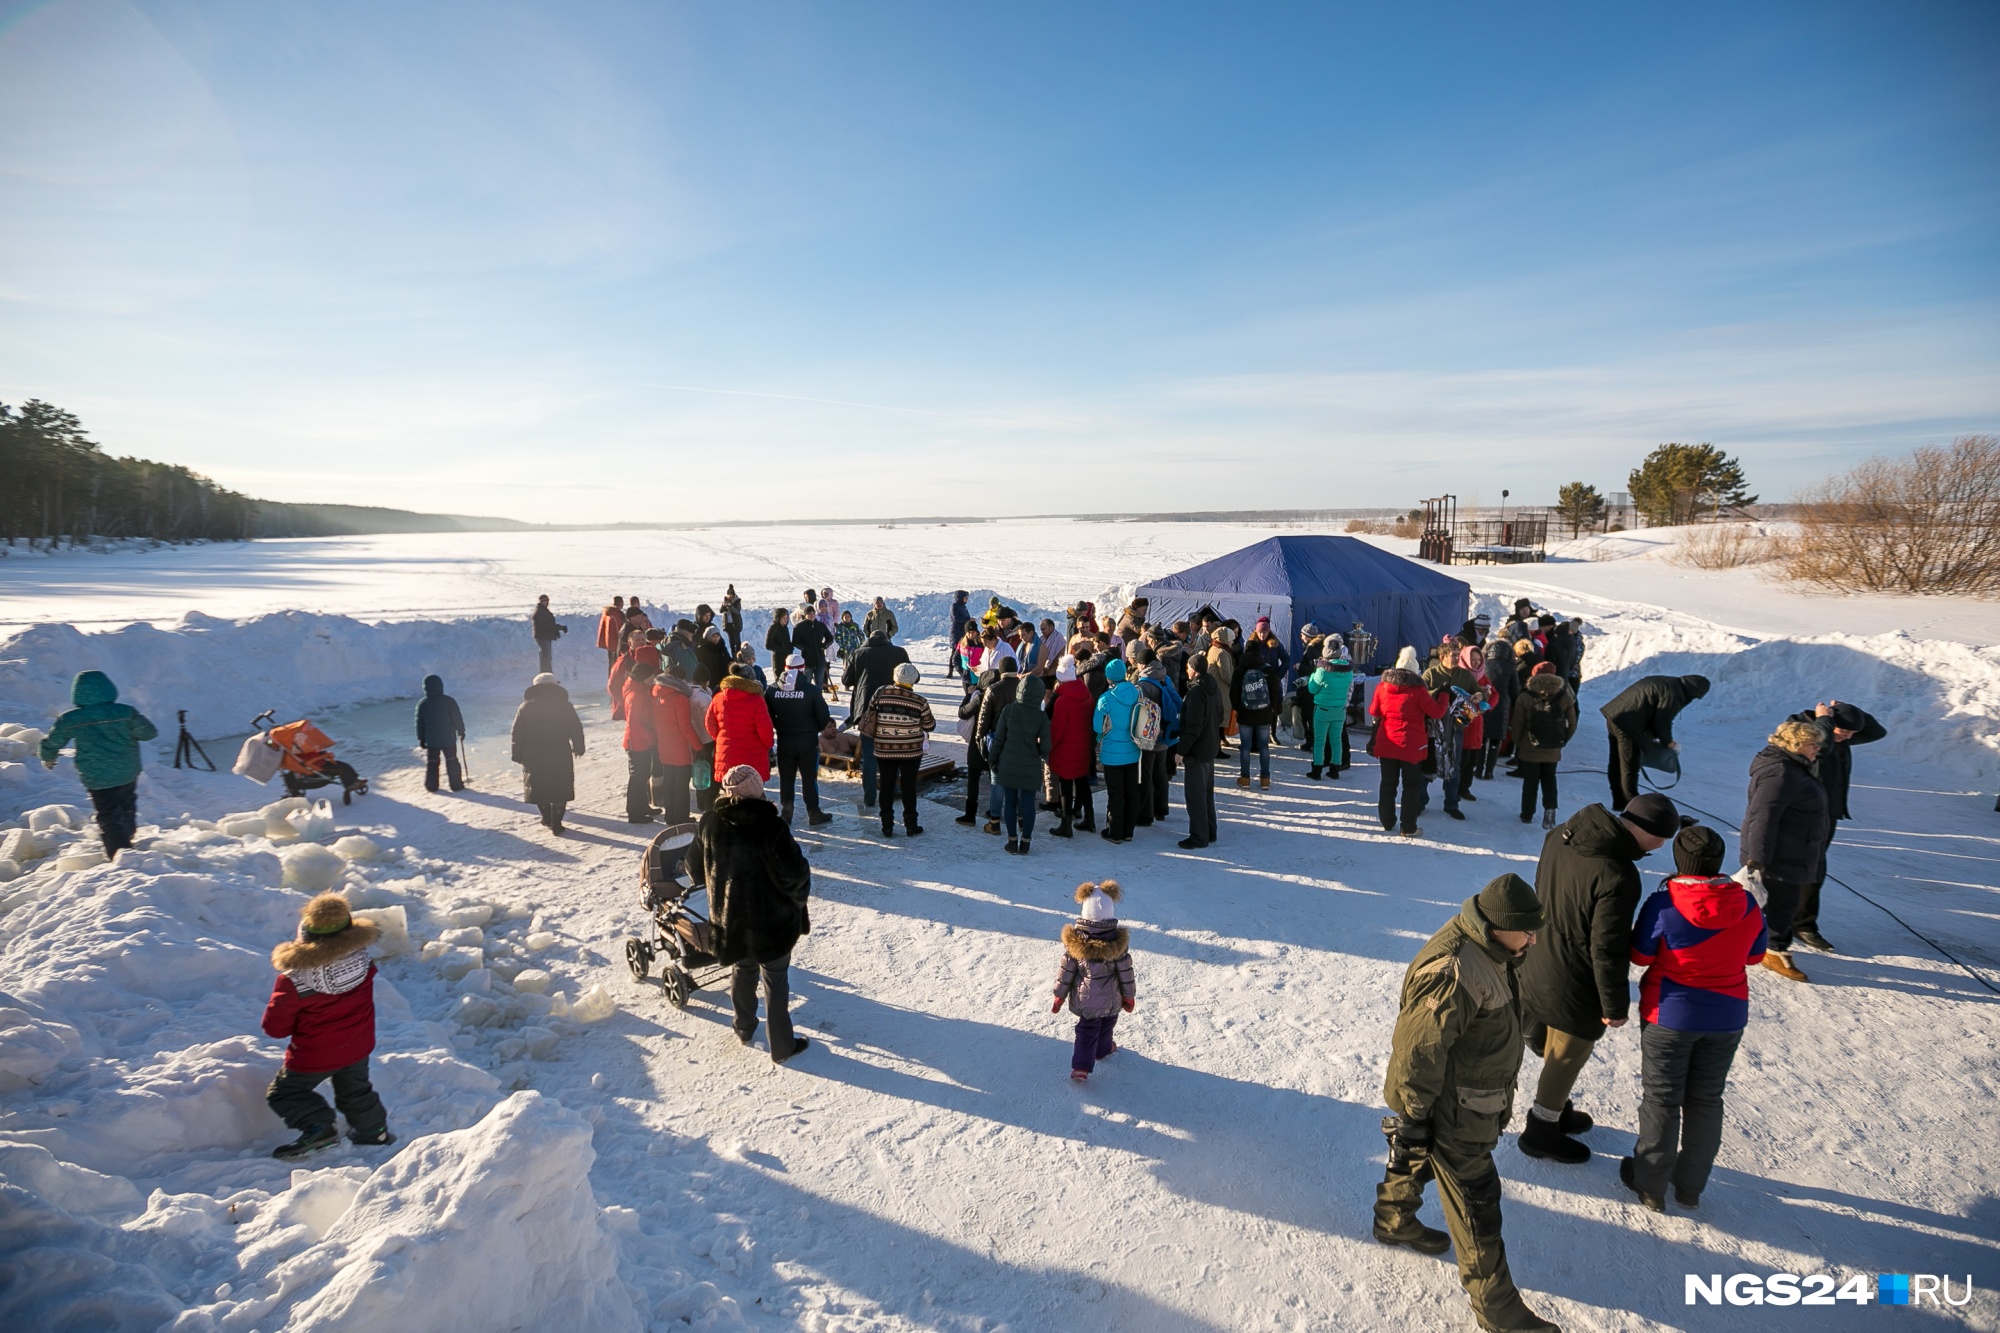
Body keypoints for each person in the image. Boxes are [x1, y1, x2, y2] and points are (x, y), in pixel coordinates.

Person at [1375, 873, 1559, 1333]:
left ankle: (1393, 1220)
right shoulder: (1454, 970)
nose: (1534, 939)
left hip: (1467, 1095)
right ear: (1497, 925)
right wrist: (1415, 1114)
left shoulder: (1494, 947)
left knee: (1415, 1152)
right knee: (1478, 1204)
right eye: (1527, 930)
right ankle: (1498, 1311)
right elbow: (1418, 1049)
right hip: (1456, 1107)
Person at [1515, 791, 1680, 1163]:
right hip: (1574, 980)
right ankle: (1541, 1130)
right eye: (1663, 839)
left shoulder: (1561, 834)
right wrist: (1614, 1004)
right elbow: (1606, 947)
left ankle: (1557, 1108)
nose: (1663, 847)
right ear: (1650, 833)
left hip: (1539, 958)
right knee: (1566, 1056)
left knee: (1551, 1048)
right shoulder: (1618, 875)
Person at [1622, 824, 1766, 1212]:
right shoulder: (1748, 902)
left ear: (1680, 860)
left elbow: (1640, 956)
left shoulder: (1664, 902)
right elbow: (1754, 956)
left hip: (1669, 1014)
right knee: (1706, 1100)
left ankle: (1650, 1183)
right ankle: (1690, 1187)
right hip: (1727, 1016)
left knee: (1661, 1101)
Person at [693, 764, 813, 1064]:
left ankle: (744, 1028)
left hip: (729, 921)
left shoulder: (709, 822)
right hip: (771, 923)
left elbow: (694, 868)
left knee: (742, 970)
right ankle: (782, 1046)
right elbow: (795, 875)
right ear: (757, 790)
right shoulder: (772, 826)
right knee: (775, 980)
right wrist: (797, 904)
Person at [261, 892, 394, 1159]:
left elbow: (275, 1028)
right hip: (358, 1045)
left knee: (285, 1092)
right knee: (356, 1090)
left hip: (314, 1054)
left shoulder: (294, 980)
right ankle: (374, 1132)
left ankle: (318, 1126)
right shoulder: (363, 962)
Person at [1781, 700, 1886, 952]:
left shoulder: (1838, 736)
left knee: (1815, 869)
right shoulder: (1804, 733)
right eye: (1844, 732)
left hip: (1827, 814)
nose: (1847, 738)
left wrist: (1849, 710)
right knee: (1796, 869)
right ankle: (1792, 924)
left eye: (1851, 734)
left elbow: (1877, 732)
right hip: (1803, 814)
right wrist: (1825, 720)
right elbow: (1823, 747)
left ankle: (1801, 923)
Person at [1739, 719, 1831, 983]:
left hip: (1791, 848)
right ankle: (1774, 951)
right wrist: (1757, 859)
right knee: (1782, 904)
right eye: (1813, 744)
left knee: (1776, 902)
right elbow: (1763, 818)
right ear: (1796, 745)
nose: (1817, 749)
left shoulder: (1791, 767)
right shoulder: (1781, 772)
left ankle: (1757, 944)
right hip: (1779, 854)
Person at [37, 669, 158, 856]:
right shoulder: (125, 712)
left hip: (96, 775)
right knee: (126, 803)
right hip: (126, 770)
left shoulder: (71, 719)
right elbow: (149, 733)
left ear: (77, 692)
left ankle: (119, 852)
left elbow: (52, 741)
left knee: (108, 811)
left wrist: (47, 757)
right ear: (109, 688)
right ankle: (127, 836)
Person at [1052, 880, 1136, 1082]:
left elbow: (1066, 972)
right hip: (1111, 998)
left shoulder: (1075, 945)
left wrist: (1059, 996)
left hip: (1085, 999)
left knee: (1087, 1030)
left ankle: (1081, 1066)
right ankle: (1103, 1049)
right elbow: (1126, 972)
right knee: (1108, 1023)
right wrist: (1129, 996)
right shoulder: (1118, 945)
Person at [1599, 674, 1711, 811]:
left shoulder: (1671, 683)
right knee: (1629, 765)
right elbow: (1662, 721)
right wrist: (1668, 742)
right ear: (1693, 691)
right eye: (1695, 697)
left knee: (1617, 761)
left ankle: (1620, 801)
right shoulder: (1674, 693)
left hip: (1615, 715)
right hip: (1629, 723)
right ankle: (1631, 804)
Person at [1369, 647, 1448, 839]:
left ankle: (1387, 821)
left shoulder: (1382, 687)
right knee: (1411, 786)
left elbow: (1374, 711)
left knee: (1387, 784)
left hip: (1387, 743)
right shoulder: (1419, 691)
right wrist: (1444, 695)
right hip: (1412, 746)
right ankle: (1408, 827)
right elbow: (1437, 712)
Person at [857, 662, 934, 837]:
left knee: (886, 785)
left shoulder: (880, 693)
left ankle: (887, 826)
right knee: (909, 787)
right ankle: (911, 825)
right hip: (911, 752)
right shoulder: (920, 702)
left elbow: (871, 712)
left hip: (884, 749)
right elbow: (930, 725)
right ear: (913, 680)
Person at [844, 629, 912, 811]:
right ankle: (894, 788)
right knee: (893, 751)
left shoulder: (858, 653)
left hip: (868, 713)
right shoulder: (899, 652)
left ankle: (870, 797)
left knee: (869, 756)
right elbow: (912, 676)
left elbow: (846, 680)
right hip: (894, 709)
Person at [511, 672, 585, 833]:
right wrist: (579, 746)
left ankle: (546, 818)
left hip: (533, 754)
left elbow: (517, 732)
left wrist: (516, 753)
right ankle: (557, 823)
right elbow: (575, 728)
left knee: (539, 786)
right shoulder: (564, 705)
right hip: (560, 752)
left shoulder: (526, 706)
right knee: (560, 785)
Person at [767, 651, 833, 827]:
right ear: (803, 669)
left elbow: (768, 715)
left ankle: (787, 812)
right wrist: (814, 729)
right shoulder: (811, 690)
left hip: (785, 742)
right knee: (809, 779)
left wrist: (780, 727)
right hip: (808, 742)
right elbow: (823, 715)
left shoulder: (772, 690)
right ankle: (813, 812)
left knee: (786, 779)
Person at [1509, 664, 1576, 829]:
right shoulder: (1564, 696)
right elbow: (1572, 723)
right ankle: (1550, 809)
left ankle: (1527, 814)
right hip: (1553, 747)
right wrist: (1562, 741)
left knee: (1530, 781)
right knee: (1549, 779)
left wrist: (1519, 743)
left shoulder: (1525, 697)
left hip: (1530, 746)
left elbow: (1517, 723)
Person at [989, 672, 1050, 854]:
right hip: (1030, 764)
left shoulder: (1009, 710)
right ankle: (1026, 841)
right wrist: (1037, 753)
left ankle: (1012, 840)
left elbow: (999, 739)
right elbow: (1047, 745)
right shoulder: (1041, 717)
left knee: (1010, 802)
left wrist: (993, 758)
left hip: (1008, 762)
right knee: (1028, 803)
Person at [1422, 639, 1478, 822]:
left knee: (1454, 766)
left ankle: (1452, 804)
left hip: (1456, 727)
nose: (1456, 659)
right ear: (1442, 657)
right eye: (1452, 656)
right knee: (1428, 764)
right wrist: (1438, 692)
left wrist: (1479, 695)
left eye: (1458, 656)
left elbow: (1479, 692)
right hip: (1433, 728)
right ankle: (1420, 802)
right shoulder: (1430, 674)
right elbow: (1420, 695)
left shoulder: (1465, 675)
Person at [968, 652, 1020, 832]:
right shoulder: (1024, 687)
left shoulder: (994, 689)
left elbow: (983, 719)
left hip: (997, 739)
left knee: (996, 779)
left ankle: (995, 821)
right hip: (1019, 739)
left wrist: (979, 739)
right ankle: (1020, 817)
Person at [1093, 658, 1143, 844]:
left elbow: (1097, 726)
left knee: (1115, 794)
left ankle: (1114, 832)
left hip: (1112, 754)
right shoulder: (1137, 692)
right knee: (1131, 791)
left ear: (1108, 677)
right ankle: (1128, 831)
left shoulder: (1106, 699)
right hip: (1133, 749)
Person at [1176, 651, 1223, 849]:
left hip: (1197, 751)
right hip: (1210, 747)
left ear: (1194, 670)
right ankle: (1209, 832)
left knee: (1195, 796)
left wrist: (1181, 751)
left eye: (1188, 666)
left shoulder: (1196, 693)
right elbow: (1220, 716)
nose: (1186, 670)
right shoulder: (1212, 687)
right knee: (1206, 794)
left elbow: (1192, 727)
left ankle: (1198, 837)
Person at [1047, 656, 1097, 837]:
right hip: (1083, 747)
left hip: (1065, 750)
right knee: (1083, 783)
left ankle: (1066, 824)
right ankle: (1089, 819)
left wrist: (1048, 747)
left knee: (1066, 787)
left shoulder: (1062, 701)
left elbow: (1056, 731)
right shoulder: (1087, 695)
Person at [705, 664, 775, 791]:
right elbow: (766, 732)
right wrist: (768, 745)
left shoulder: (718, 698)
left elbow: (709, 724)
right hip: (752, 757)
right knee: (752, 799)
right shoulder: (756, 701)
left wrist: (721, 739)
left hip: (726, 756)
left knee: (731, 798)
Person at [1132, 646, 1181, 826]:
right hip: (1166, 734)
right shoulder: (1165, 677)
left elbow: (1138, 712)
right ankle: (1161, 809)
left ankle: (1145, 815)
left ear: (1143, 664)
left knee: (1145, 774)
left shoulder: (1143, 684)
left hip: (1149, 736)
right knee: (1160, 772)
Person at [649, 663, 701, 825]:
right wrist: (698, 746)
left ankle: (670, 816)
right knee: (681, 786)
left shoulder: (657, 694)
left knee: (669, 782)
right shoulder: (679, 698)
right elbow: (685, 726)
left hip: (664, 745)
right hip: (680, 748)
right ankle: (681, 818)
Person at [1230, 632, 1282, 791]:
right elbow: (1275, 691)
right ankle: (1265, 779)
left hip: (1245, 713)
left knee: (1245, 746)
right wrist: (1274, 708)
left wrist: (1238, 707)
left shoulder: (1240, 670)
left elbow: (1233, 693)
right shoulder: (1268, 669)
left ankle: (1245, 778)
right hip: (1264, 714)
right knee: (1264, 746)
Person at [622, 660, 664, 823]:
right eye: (651, 676)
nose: (653, 678)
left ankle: (642, 806)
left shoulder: (640, 690)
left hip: (640, 741)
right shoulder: (637, 696)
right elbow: (636, 723)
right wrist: (652, 738)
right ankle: (635, 813)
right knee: (638, 777)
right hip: (638, 742)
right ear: (643, 677)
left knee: (643, 775)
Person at [1305, 648, 1353, 780]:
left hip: (1323, 710)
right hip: (1340, 710)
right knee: (1336, 740)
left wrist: (1312, 676)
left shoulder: (1322, 671)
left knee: (1319, 741)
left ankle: (1316, 770)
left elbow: (1312, 689)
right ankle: (1335, 770)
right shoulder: (1348, 671)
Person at [415, 674, 467, 793]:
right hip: (448, 739)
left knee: (432, 763)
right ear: (440, 686)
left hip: (432, 741)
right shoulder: (449, 701)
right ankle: (456, 785)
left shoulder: (423, 704)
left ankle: (431, 785)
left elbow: (420, 724)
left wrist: (421, 739)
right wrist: (461, 731)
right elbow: (457, 718)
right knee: (452, 760)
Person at [1482, 634, 1520, 779]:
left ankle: (1478, 769)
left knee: (1482, 737)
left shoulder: (1484, 665)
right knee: (1495, 740)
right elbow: (1515, 690)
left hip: (1485, 703)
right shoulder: (1511, 668)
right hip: (1502, 705)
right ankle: (1489, 771)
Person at [791, 604, 835, 695]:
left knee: (819, 683)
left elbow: (830, 638)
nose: (811, 615)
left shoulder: (820, 625)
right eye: (809, 613)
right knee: (807, 682)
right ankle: (807, 700)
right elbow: (795, 642)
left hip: (819, 658)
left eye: (813, 613)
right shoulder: (799, 627)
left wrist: (824, 646)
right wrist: (805, 648)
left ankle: (818, 701)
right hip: (807, 659)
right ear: (805, 615)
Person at [531, 595, 567, 675]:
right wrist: (559, 628)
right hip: (543, 637)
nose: (547, 603)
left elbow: (549, 624)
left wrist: (555, 631)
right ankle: (546, 677)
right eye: (545, 601)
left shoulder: (542, 610)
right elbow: (547, 625)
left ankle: (547, 676)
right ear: (541, 602)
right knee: (546, 658)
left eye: (548, 601)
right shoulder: (540, 611)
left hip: (544, 636)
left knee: (546, 657)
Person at [947, 591, 973, 679]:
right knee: (955, 650)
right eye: (965, 598)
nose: (967, 600)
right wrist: (968, 619)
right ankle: (950, 671)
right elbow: (956, 618)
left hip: (963, 632)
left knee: (963, 651)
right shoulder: (954, 606)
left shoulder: (964, 607)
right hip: (956, 632)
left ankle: (963, 669)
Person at [596, 595, 626, 671]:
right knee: (617, 665)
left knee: (611, 664)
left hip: (609, 642)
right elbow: (621, 629)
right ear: (621, 603)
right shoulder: (617, 614)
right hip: (616, 643)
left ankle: (611, 679)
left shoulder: (607, 613)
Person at [765, 608, 792, 675]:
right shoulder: (773, 628)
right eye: (783, 618)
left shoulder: (785, 627)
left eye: (787, 618)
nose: (785, 620)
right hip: (778, 659)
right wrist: (782, 648)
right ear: (778, 618)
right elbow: (768, 645)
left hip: (787, 657)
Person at [720, 585, 744, 655]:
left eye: (731, 594)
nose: (730, 596)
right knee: (731, 642)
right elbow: (721, 611)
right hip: (728, 624)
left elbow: (737, 611)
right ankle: (733, 655)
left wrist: (731, 606)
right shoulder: (725, 601)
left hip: (736, 624)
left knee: (737, 641)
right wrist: (724, 606)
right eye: (729, 595)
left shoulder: (737, 601)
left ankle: (739, 655)